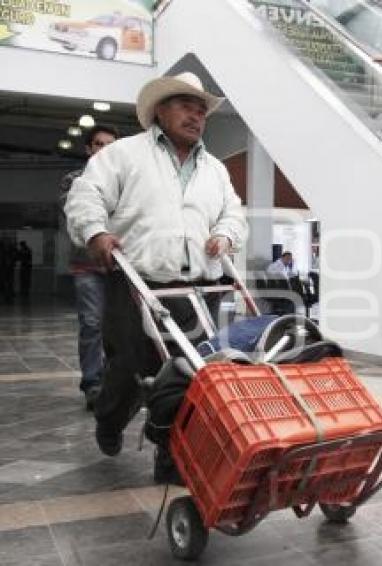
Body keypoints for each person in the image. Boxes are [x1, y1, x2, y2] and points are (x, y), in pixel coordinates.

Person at [64, 72, 248, 482]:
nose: (196, 116)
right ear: (160, 111)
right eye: (186, 106)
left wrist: (225, 234)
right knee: (129, 369)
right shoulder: (124, 155)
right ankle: (110, 421)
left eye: (201, 110)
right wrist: (95, 232)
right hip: (137, 284)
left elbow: (233, 212)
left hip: (199, 290)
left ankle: (172, 458)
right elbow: (86, 194)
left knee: (190, 375)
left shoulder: (215, 169)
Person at [58, 124, 119, 410]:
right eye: (98, 144)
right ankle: (93, 383)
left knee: (120, 329)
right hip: (87, 266)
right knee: (92, 324)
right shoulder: (73, 180)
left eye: (109, 145)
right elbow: (78, 213)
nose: (104, 150)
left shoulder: (125, 181)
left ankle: (116, 382)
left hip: (122, 268)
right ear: (88, 149)